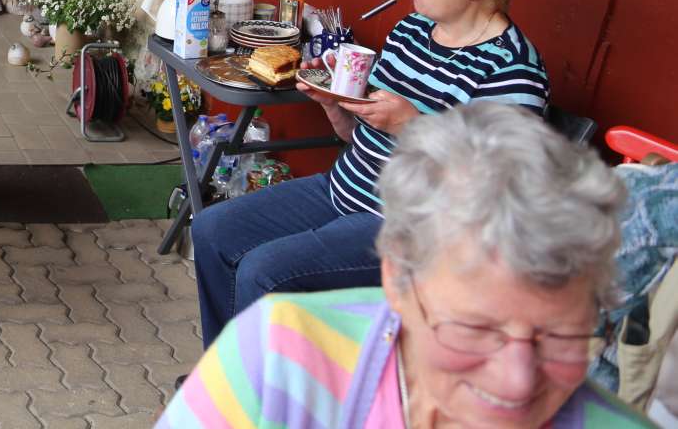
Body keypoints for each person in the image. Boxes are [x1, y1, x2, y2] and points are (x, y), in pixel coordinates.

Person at [192, 0, 548, 347]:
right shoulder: (413, 31)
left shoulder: (512, 72)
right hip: (342, 191)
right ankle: (224, 383)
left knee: (266, 271)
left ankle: (254, 406)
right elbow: (354, 139)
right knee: (213, 229)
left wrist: (412, 126)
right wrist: (333, 102)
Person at [161, 102, 649, 428]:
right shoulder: (278, 361)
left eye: (562, 336)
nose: (518, 381)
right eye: (476, 329)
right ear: (396, 280)